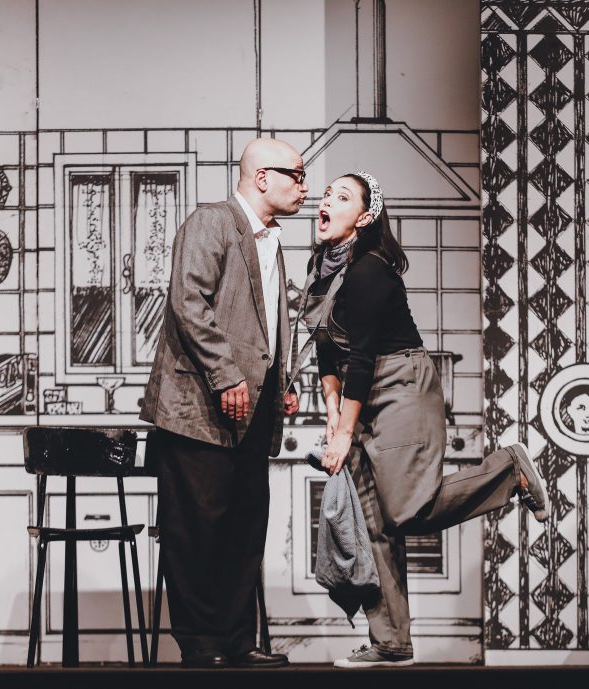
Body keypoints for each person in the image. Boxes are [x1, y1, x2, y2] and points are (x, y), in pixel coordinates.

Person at [292, 171, 551, 669]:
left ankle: (507, 470)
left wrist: (343, 433)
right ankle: (390, 642)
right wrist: (332, 411)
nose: (326, 201)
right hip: (358, 390)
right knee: (373, 523)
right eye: (326, 194)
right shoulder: (320, 269)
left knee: (406, 511)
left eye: (342, 197)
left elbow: (363, 355)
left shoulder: (369, 270)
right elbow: (326, 347)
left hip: (399, 385)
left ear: (364, 218)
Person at [140, 138, 304, 669]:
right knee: (196, 530)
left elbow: (269, 322)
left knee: (244, 527)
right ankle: (201, 644)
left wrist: (283, 381)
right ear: (262, 177)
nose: (304, 187)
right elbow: (188, 302)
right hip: (199, 407)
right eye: (296, 175)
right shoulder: (212, 221)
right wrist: (226, 374)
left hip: (252, 409)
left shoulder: (271, 240)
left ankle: (237, 640)